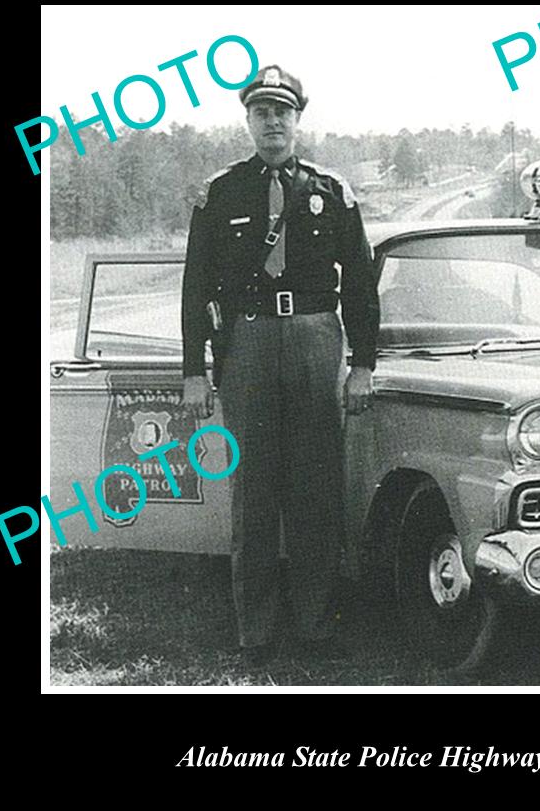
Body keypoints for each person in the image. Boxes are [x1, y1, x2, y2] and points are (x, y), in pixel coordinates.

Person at [180, 65, 380, 665]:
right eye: (261, 112)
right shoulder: (220, 193)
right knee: (255, 488)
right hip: (247, 343)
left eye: (282, 112)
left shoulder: (331, 191)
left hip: (318, 338)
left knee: (317, 484)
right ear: (247, 121)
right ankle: (257, 633)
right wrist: (195, 369)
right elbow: (195, 289)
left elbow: (362, 289)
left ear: (298, 119)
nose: (273, 122)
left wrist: (363, 364)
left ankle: (317, 625)